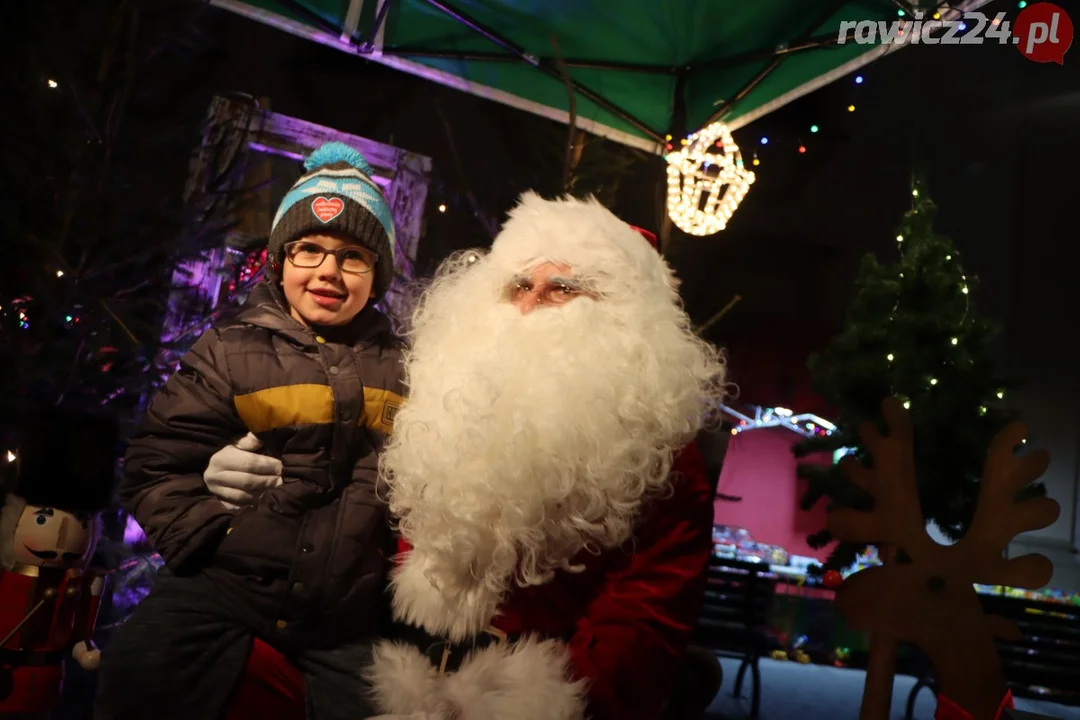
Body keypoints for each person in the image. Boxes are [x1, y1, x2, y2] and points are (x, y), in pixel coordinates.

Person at [204, 193, 727, 720]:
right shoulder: (431, 397)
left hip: (529, 691)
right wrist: (236, 485)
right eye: (519, 285)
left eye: (561, 289)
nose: (526, 305)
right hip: (372, 662)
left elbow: (643, 617)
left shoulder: (656, 449)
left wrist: (558, 703)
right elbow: (337, 507)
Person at [94, 142, 405, 720]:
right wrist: (208, 519)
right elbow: (153, 464)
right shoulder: (228, 350)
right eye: (308, 249)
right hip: (223, 591)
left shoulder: (407, 370)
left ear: (378, 272)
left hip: (343, 619)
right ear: (280, 261)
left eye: (353, 256)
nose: (328, 271)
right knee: (137, 671)